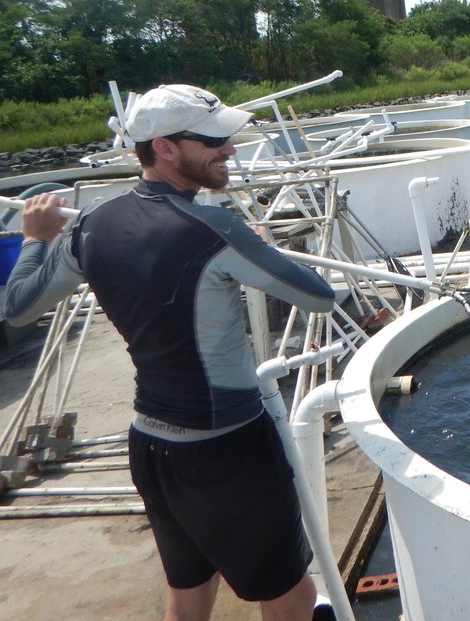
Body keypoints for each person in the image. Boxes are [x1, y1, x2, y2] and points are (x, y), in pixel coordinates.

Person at [3, 85, 337, 621]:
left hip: (153, 448)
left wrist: (36, 238)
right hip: (227, 451)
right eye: (214, 140)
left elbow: (17, 307)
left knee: (189, 593)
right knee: (291, 597)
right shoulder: (215, 228)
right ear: (164, 147)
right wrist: (253, 246)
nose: (230, 149)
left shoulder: (89, 224)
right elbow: (321, 296)